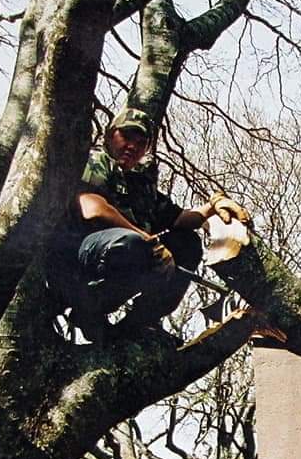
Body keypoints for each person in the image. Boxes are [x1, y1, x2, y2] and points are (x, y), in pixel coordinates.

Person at [51, 107, 249, 342]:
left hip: (123, 258)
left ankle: (139, 324)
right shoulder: (96, 161)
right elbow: (92, 208)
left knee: (186, 242)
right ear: (110, 135)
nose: (132, 146)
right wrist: (148, 241)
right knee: (131, 244)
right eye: (126, 137)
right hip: (79, 263)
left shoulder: (139, 184)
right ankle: (88, 311)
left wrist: (212, 206)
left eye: (140, 142)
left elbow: (180, 218)